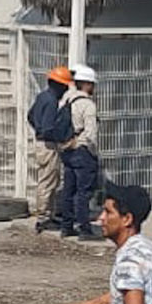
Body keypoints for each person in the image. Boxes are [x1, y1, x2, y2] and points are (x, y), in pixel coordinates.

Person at [27, 65, 76, 232]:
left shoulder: (42, 97)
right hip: (47, 144)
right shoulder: (51, 101)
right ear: (58, 85)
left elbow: (30, 116)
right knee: (48, 181)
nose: (65, 90)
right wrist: (62, 139)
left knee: (47, 180)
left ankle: (47, 214)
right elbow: (48, 128)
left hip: (41, 142)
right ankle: (44, 217)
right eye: (64, 86)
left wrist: (39, 130)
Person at [55, 64, 103, 240]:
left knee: (69, 189)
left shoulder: (66, 99)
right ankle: (84, 229)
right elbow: (90, 133)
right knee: (83, 192)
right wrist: (93, 153)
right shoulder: (87, 105)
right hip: (82, 150)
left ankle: (66, 226)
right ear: (88, 84)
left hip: (66, 149)